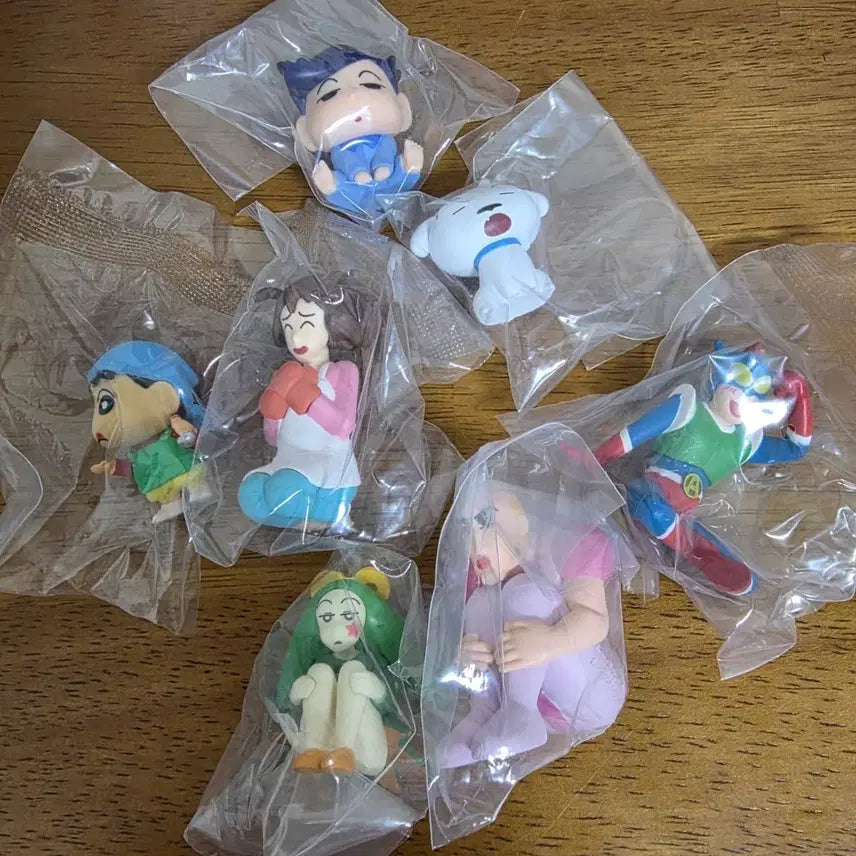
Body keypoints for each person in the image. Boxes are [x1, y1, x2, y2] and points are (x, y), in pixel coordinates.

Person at [595, 342, 813, 595]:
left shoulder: (744, 442)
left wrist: (800, 393)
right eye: (740, 379)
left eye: (758, 391)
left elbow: (795, 448)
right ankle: (689, 548)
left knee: (711, 550)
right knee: (652, 508)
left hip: (684, 509)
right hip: (653, 487)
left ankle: (713, 561)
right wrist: (596, 459)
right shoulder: (689, 408)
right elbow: (633, 435)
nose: (744, 396)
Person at [439, 487, 626, 768]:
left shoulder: (565, 547)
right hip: (547, 711)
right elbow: (473, 640)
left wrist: (548, 641)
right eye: (466, 530)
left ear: (523, 520)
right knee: (480, 603)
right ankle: (483, 714)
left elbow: (594, 621)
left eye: (486, 522)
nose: (476, 546)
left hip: (593, 697)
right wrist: (465, 655)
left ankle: (521, 713)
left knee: (525, 593)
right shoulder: (477, 584)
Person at [238, 275, 363, 530]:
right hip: (288, 461)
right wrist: (273, 411)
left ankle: (330, 511)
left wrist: (307, 397)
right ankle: (306, 522)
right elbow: (274, 439)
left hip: (327, 466)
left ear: (333, 324)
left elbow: (343, 425)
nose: (295, 338)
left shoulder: (342, 371)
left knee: (284, 490)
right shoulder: (287, 373)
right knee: (250, 494)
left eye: (306, 324)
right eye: (288, 327)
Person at [276, 566, 404, 776]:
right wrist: (296, 693)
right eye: (327, 618)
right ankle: (313, 749)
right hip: (321, 739)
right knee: (318, 672)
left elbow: (393, 702)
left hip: (364, 747)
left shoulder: (370, 659)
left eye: (348, 615)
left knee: (354, 670)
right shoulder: (321, 659)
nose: (336, 628)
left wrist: (378, 691)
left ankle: (345, 751)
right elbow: (290, 697)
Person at [278, 45, 423, 216]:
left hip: (393, 184)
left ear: (402, 108)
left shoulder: (384, 138)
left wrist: (404, 165)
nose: (352, 96)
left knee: (392, 163)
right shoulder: (339, 149)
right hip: (354, 193)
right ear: (305, 131)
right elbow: (344, 161)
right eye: (329, 94)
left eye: (371, 84)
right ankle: (334, 184)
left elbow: (387, 151)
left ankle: (405, 167)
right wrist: (336, 182)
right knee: (343, 175)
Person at [88, 341, 205, 523]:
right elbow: (131, 468)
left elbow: (190, 438)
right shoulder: (137, 452)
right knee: (166, 492)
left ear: (165, 393)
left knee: (192, 478)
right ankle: (171, 503)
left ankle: (198, 488)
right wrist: (113, 467)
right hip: (160, 483)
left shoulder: (172, 429)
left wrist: (186, 435)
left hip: (183, 470)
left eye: (106, 403)